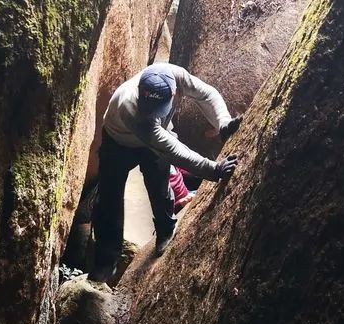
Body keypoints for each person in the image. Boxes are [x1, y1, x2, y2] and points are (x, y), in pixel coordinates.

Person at [90, 63, 240, 282]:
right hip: (118, 142)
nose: (149, 113)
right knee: (109, 197)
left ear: (173, 92)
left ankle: (165, 230)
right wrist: (214, 169)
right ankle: (105, 262)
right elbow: (173, 151)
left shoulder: (176, 76)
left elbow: (207, 94)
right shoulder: (132, 109)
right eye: (147, 108)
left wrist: (223, 123)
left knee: (159, 184)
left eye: (155, 110)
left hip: (155, 137)